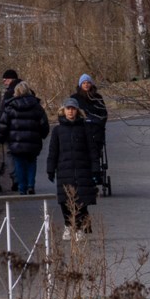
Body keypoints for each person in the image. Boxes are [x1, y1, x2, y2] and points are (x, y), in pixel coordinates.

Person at [44, 96, 98, 232]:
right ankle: (68, 225)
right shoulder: (57, 130)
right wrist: (50, 169)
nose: (70, 112)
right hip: (64, 170)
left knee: (82, 200)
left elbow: (92, 150)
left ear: (77, 111)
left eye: (73, 109)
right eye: (68, 109)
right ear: (63, 110)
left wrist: (96, 168)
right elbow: (53, 152)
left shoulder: (85, 128)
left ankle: (81, 228)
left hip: (82, 169)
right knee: (64, 200)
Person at [0, 71, 49, 195]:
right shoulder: (36, 106)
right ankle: (31, 185)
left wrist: (1, 137)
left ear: (16, 92)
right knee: (32, 162)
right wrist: (43, 134)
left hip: (16, 141)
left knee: (19, 163)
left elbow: (3, 124)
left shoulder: (11, 106)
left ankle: (22, 187)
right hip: (33, 141)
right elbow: (43, 123)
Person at [74, 73, 111, 198]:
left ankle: (95, 176)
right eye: (84, 83)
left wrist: (97, 122)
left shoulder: (97, 98)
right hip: (81, 131)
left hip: (96, 132)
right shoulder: (75, 98)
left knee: (95, 154)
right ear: (80, 84)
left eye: (88, 82)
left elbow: (103, 114)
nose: (86, 85)